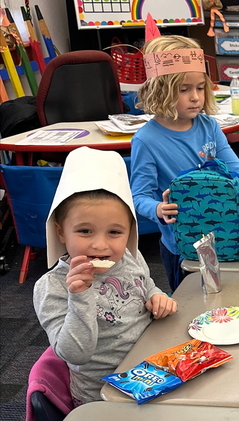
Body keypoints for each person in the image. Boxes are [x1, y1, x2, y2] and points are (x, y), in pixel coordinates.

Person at [33, 146, 177, 407]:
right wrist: (79, 296)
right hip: (103, 397)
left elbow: (146, 285)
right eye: (85, 231)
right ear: (61, 232)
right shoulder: (52, 287)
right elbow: (76, 354)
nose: (100, 245)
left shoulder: (130, 258)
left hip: (154, 375)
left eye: (114, 232)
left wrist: (156, 296)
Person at [129, 25, 239, 290]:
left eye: (200, 88)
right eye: (184, 89)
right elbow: (139, 196)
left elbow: (236, 168)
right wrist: (156, 209)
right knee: (190, 302)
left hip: (226, 232)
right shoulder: (145, 140)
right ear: (159, 90)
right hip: (182, 244)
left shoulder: (209, 126)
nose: (196, 97)